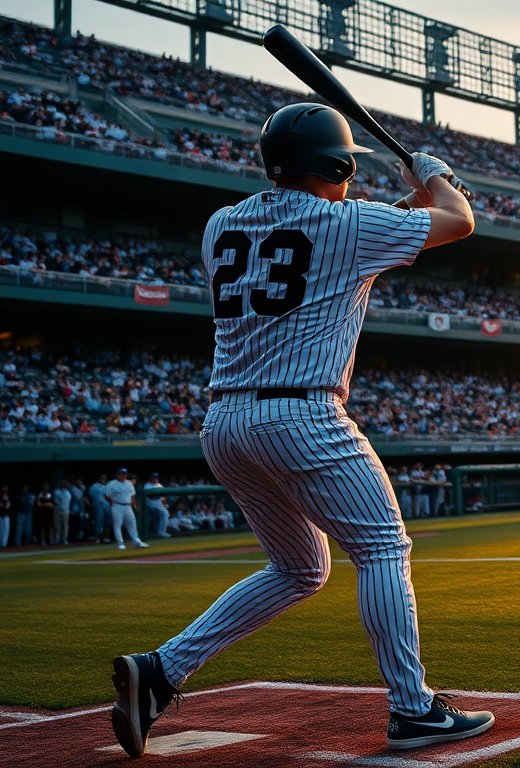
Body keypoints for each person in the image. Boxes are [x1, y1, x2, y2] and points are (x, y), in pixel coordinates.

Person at [110, 102, 489, 759]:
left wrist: (415, 191)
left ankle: (162, 669)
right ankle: (413, 709)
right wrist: (435, 175)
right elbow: (458, 221)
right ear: (338, 165)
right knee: (381, 549)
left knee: (301, 567)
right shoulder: (346, 225)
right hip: (303, 416)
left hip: (225, 423)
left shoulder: (222, 223)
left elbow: (347, 235)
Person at [105, 467, 148, 551]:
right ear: (118, 475)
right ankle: (120, 543)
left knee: (132, 523)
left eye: (124, 474)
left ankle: (137, 541)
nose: (123, 476)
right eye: (121, 474)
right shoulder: (112, 483)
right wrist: (112, 504)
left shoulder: (129, 483)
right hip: (117, 505)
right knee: (118, 525)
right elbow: (107, 495)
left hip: (128, 506)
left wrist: (134, 505)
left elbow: (132, 495)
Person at [143, 472, 171, 538]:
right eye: (154, 477)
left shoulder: (159, 485)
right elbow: (151, 496)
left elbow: (163, 497)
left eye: (156, 477)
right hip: (150, 504)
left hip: (159, 504)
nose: (155, 479)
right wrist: (159, 494)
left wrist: (166, 504)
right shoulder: (147, 485)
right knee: (164, 513)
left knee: (166, 514)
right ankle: (159, 532)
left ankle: (162, 532)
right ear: (151, 478)